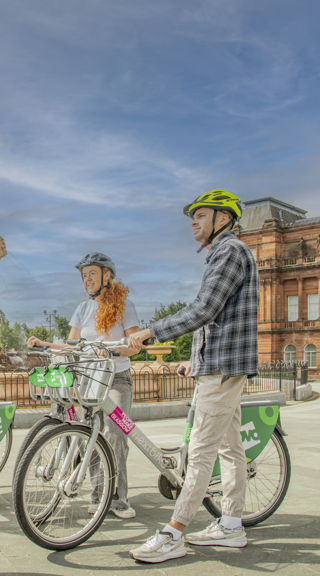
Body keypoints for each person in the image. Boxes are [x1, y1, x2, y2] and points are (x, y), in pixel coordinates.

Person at [128, 190, 259, 563]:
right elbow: (217, 319)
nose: (193, 222)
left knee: (200, 453)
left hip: (223, 368)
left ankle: (174, 533)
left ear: (223, 218)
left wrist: (151, 332)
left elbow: (204, 309)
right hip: (220, 364)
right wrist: (194, 361)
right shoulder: (225, 253)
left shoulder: (230, 252)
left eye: (200, 215)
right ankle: (231, 525)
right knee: (230, 450)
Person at [28, 253, 140, 519]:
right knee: (87, 433)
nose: (87, 279)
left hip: (116, 378)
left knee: (115, 435)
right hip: (88, 378)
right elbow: (72, 345)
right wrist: (44, 344)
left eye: (92, 273)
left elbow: (134, 346)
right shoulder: (82, 309)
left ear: (107, 275)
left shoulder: (125, 305)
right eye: (84, 275)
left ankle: (118, 500)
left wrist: (113, 353)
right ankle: (99, 494)